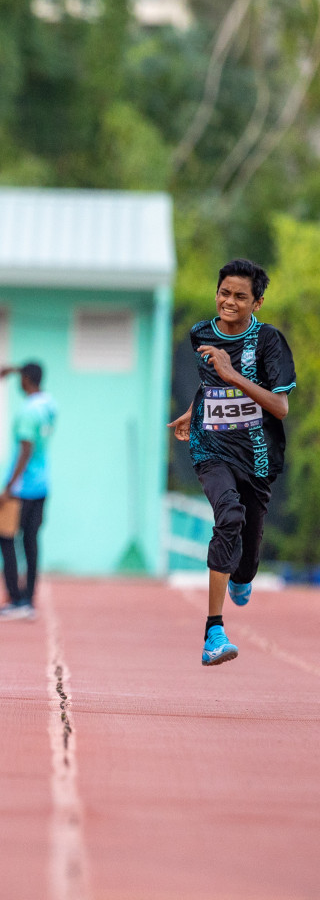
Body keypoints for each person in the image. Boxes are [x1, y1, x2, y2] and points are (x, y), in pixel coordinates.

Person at [168, 259, 295, 667]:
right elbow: (210, 385)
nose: (230, 302)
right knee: (229, 516)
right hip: (212, 448)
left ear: (257, 302)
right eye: (224, 293)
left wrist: (231, 373)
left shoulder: (270, 342)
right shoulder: (200, 333)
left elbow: (280, 406)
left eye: (241, 296)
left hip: (257, 456)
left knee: (248, 557)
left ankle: (241, 577)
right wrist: (195, 409)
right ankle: (214, 632)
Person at [0, 362, 56, 621]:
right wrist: (15, 370)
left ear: (26, 381)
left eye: (21, 378)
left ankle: (16, 599)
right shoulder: (49, 405)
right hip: (42, 486)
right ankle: (28, 600)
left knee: (5, 537)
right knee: (30, 542)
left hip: (23, 488)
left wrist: (7, 488)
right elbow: (33, 372)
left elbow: (25, 451)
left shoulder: (27, 412)